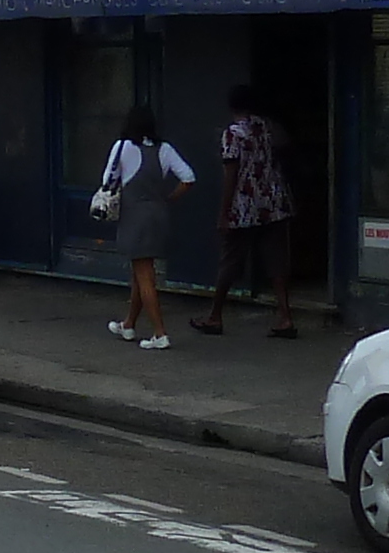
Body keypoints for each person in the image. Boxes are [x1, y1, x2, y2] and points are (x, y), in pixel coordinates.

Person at [194, 83, 298, 339]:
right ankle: (285, 317)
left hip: (244, 205)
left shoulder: (233, 134)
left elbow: (232, 173)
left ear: (231, 106)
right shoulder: (267, 127)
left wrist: (224, 211)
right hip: (274, 201)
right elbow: (285, 146)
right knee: (276, 261)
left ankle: (215, 315)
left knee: (230, 260)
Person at [96, 105, 197, 352]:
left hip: (134, 216)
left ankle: (160, 333)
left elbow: (107, 181)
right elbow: (189, 178)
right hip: (158, 214)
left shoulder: (123, 147)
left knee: (145, 276)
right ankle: (128, 324)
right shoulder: (165, 149)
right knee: (140, 271)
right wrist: (169, 198)